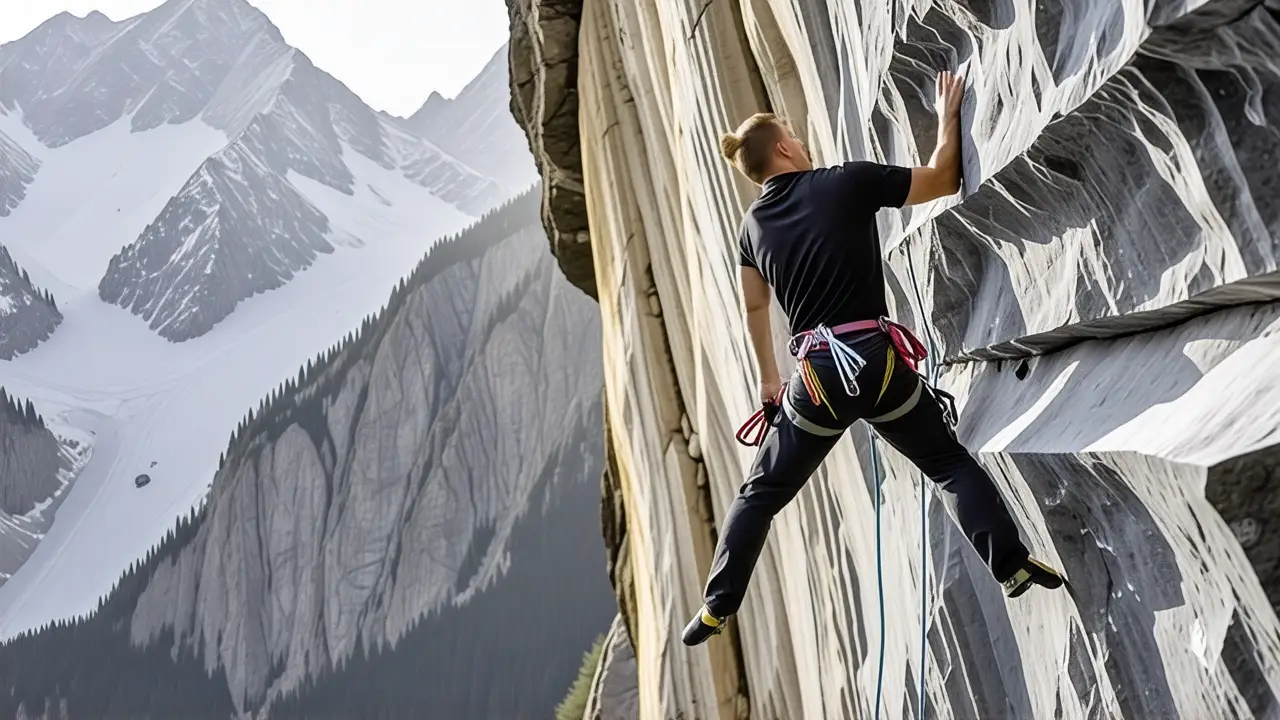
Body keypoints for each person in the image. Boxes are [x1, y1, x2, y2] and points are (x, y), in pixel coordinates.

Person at [682, 70, 1064, 647]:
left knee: (760, 494)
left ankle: (717, 603)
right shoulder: (844, 182)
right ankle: (1008, 562)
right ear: (784, 147)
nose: (802, 141)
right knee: (946, 463)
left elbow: (754, 309)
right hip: (877, 360)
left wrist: (769, 381)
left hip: (815, 380)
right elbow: (941, 178)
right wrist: (948, 116)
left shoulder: (750, 228)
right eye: (794, 135)